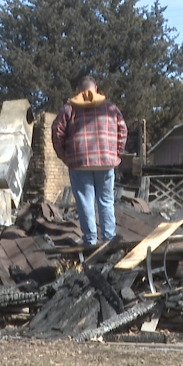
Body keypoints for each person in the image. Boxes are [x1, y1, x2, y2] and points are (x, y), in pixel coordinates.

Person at [51, 75, 128, 246]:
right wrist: (117, 153)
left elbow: (57, 133)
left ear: (79, 90)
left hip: (79, 162)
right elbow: (123, 130)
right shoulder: (111, 108)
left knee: (85, 201)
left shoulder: (69, 109)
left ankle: (90, 241)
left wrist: (64, 156)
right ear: (96, 88)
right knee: (106, 200)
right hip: (107, 161)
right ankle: (109, 238)